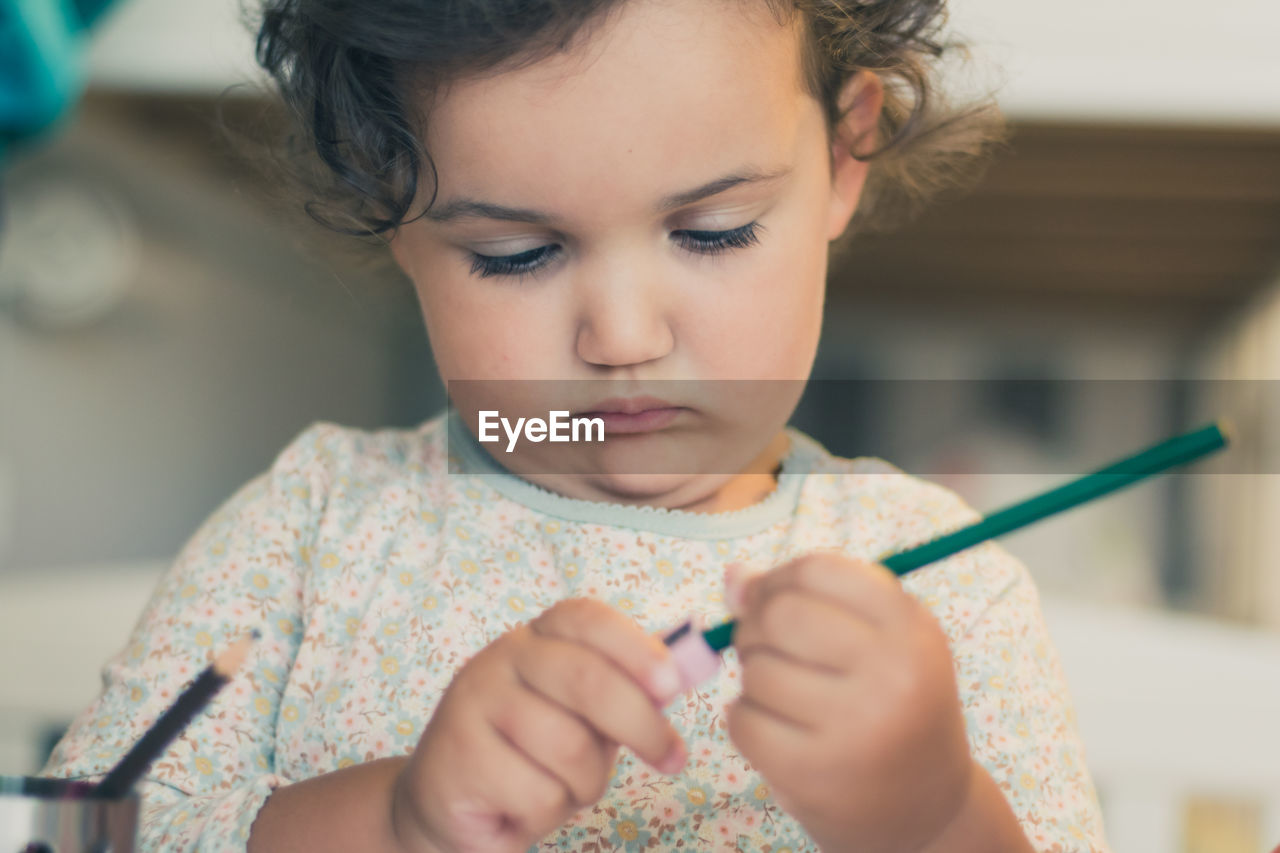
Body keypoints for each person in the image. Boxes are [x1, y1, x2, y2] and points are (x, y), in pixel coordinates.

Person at [40, 0, 1111, 849]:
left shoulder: (937, 585)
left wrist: (926, 823)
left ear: (842, 156)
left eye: (714, 231)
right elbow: (76, 835)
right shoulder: (312, 530)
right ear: (393, 207)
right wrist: (397, 823)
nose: (623, 335)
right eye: (516, 253)